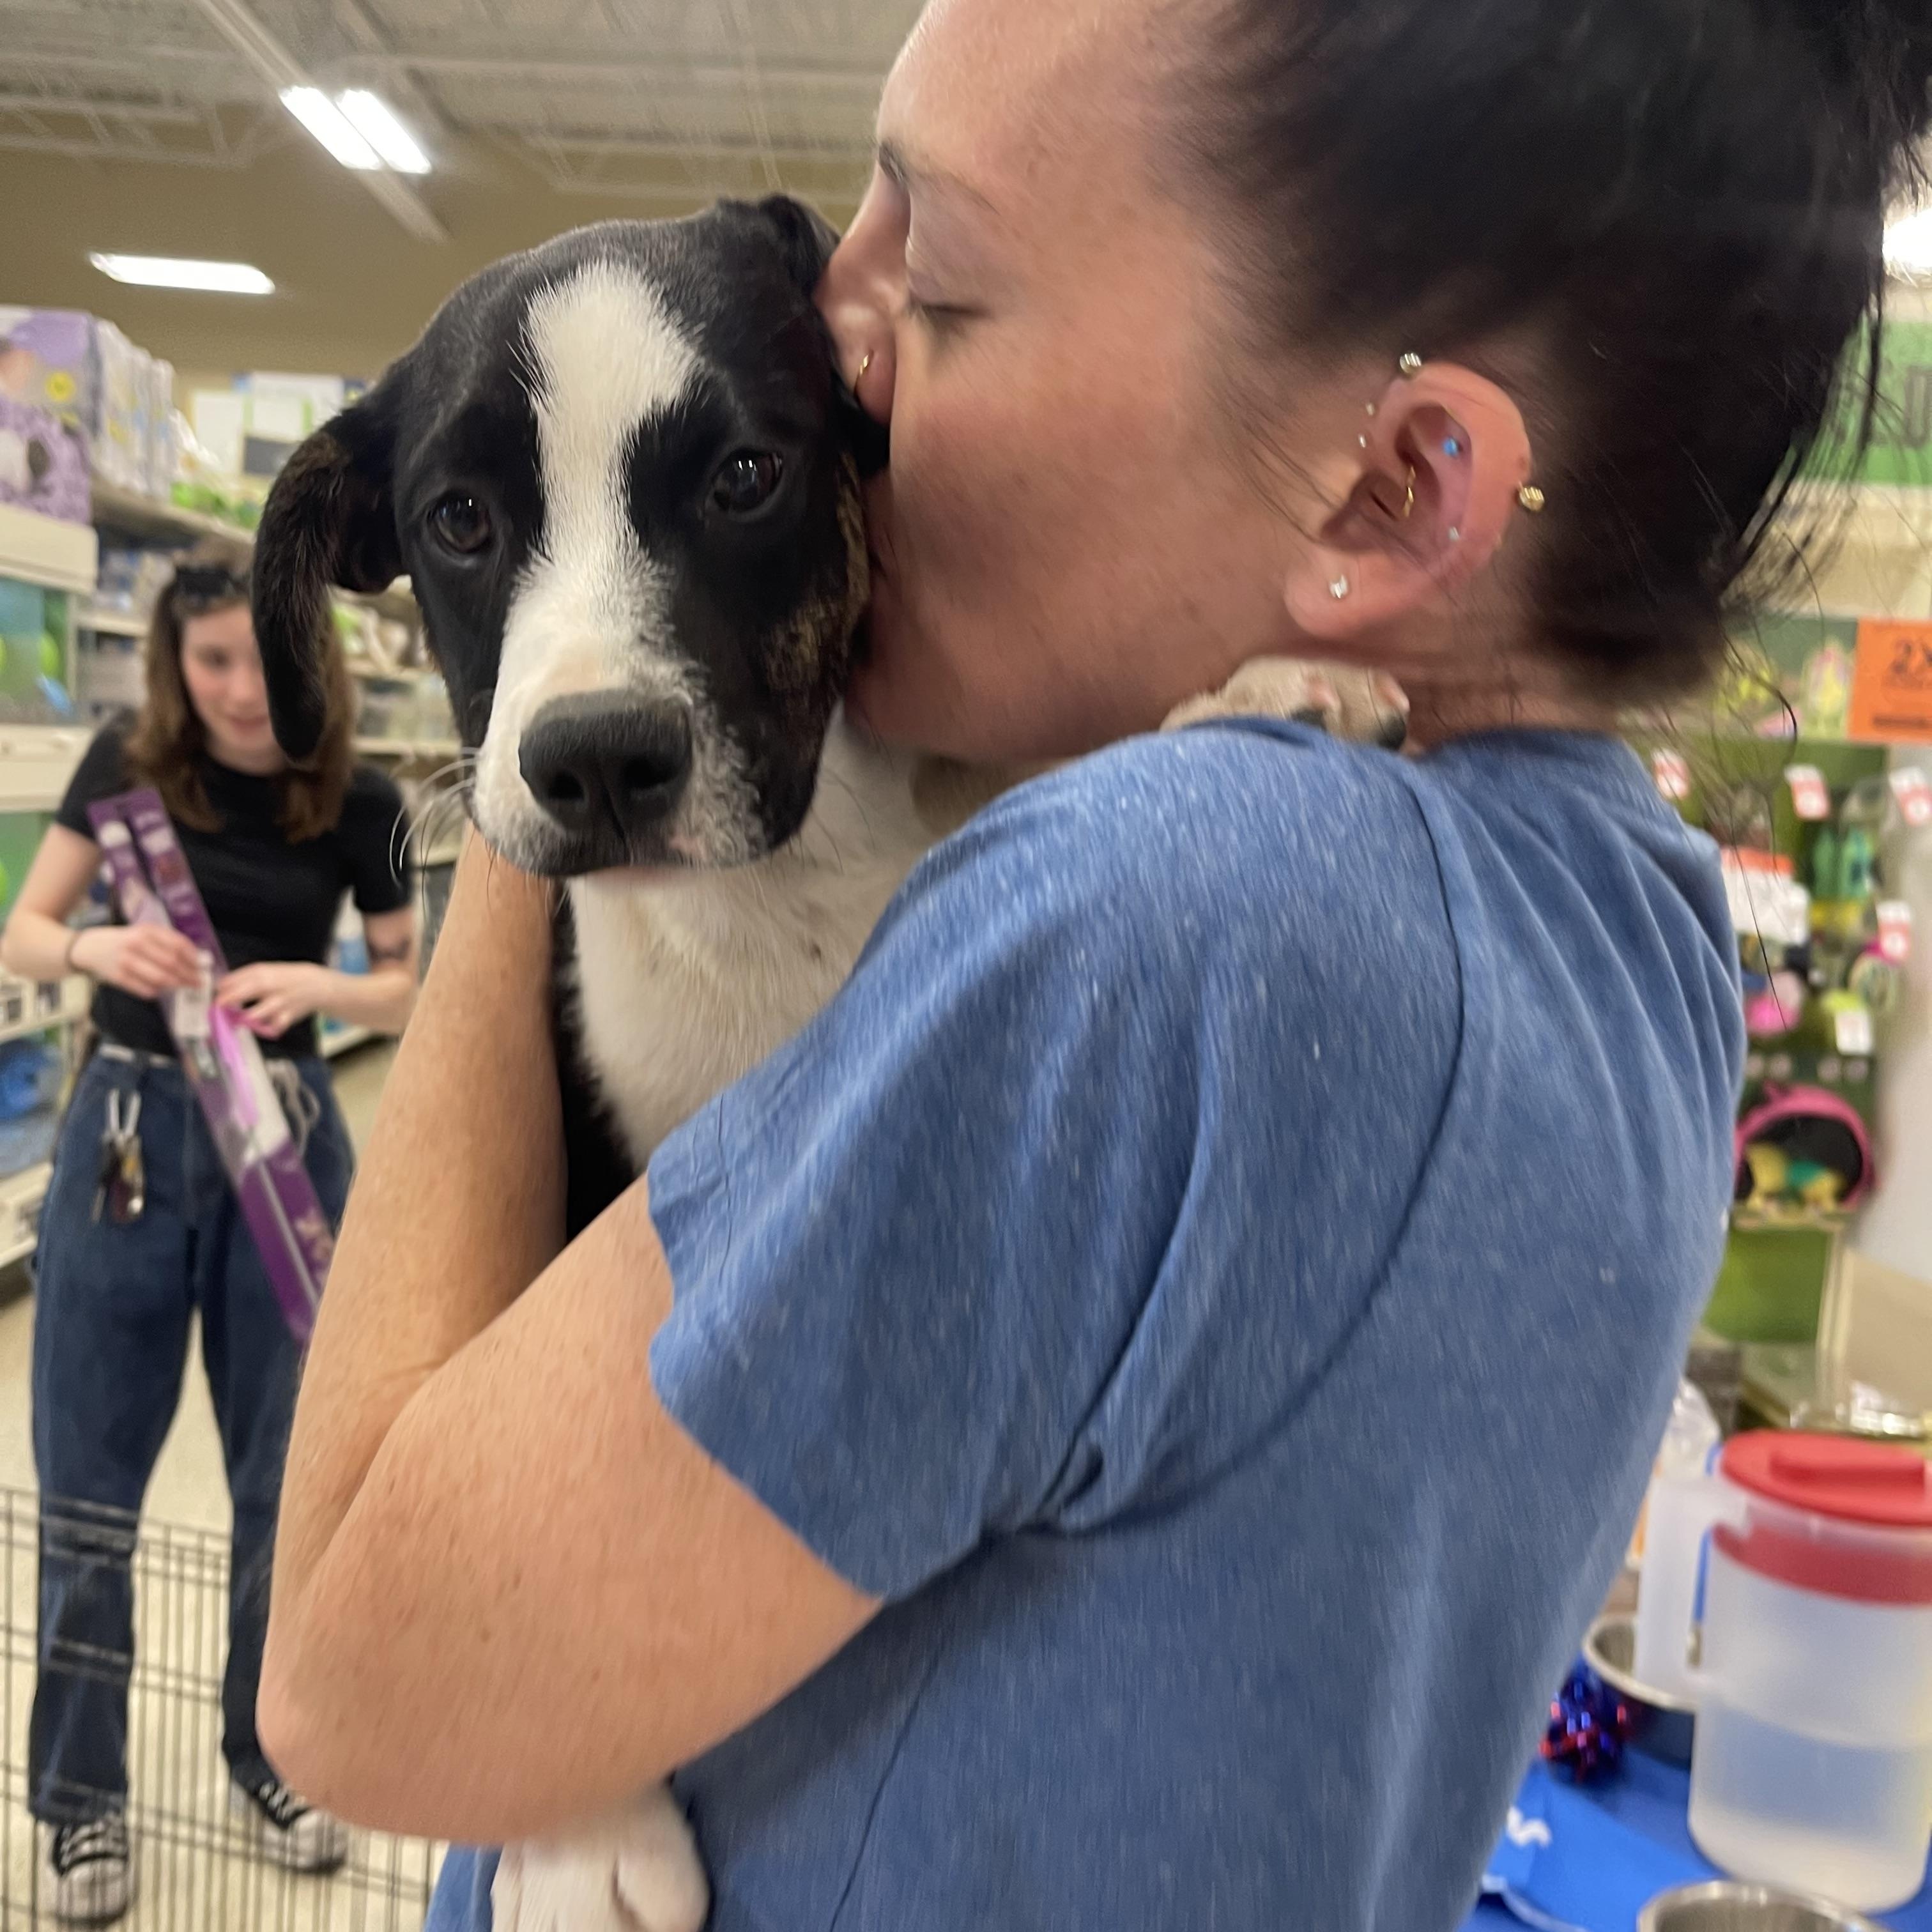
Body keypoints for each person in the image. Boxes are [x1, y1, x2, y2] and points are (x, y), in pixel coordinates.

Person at [258, 1, 1931, 1928]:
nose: (842, 334)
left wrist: (530, 774)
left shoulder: (1161, 919)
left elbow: (354, 1684)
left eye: (944, 279)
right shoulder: (1628, 903)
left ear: (1392, 482)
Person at [0, 540, 418, 1922]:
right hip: (125, 1132)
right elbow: (24, 928)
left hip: (283, 1148)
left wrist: (324, 984)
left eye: (266, 655)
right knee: (89, 1487)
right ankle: (78, 1802)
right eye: (214, 659)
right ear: (178, 666)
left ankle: (269, 1751)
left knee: (280, 1488)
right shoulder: (125, 770)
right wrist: (98, 953)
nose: (244, 689)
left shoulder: (357, 796)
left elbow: (413, 987)